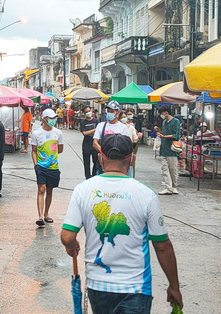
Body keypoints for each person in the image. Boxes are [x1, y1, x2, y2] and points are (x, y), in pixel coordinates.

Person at [61, 134, 183, 314]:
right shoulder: (146, 195)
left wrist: (72, 246)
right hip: (135, 287)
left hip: (98, 285)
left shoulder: (83, 190)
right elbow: (162, 246)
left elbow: (67, 236)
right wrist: (174, 286)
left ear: (100, 157)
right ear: (132, 158)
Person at [31, 108, 65, 226]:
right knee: (41, 189)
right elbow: (34, 150)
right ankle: (40, 216)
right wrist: (36, 165)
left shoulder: (58, 133)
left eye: (54, 118)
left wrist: (52, 155)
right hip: (41, 166)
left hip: (53, 167)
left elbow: (60, 149)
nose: (53, 120)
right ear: (45, 119)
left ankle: (46, 213)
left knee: (50, 190)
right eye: (51, 118)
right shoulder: (37, 133)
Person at [154, 107, 181, 195]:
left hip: (172, 149)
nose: (161, 115)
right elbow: (164, 133)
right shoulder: (164, 122)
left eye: (162, 113)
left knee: (173, 168)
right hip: (164, 147)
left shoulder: (176, 121)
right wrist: (159, 131)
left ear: (166, 112)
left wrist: (164, 136)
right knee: (164, 168)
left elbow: (176, 135)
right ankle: (167, 187)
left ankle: (174, 186)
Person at [80, 107, 100, 179]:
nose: (88, 113)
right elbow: (84, 133)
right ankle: (87, 176)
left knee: (96, 161)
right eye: (86, 112)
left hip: (95, 144)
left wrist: (89, 132)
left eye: (89, 111)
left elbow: (99, 131)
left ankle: (94, 175)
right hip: (86, 145)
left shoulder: (96, 121)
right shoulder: (83, 122)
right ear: (84, 113)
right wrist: (94, 130)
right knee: (86, 162)